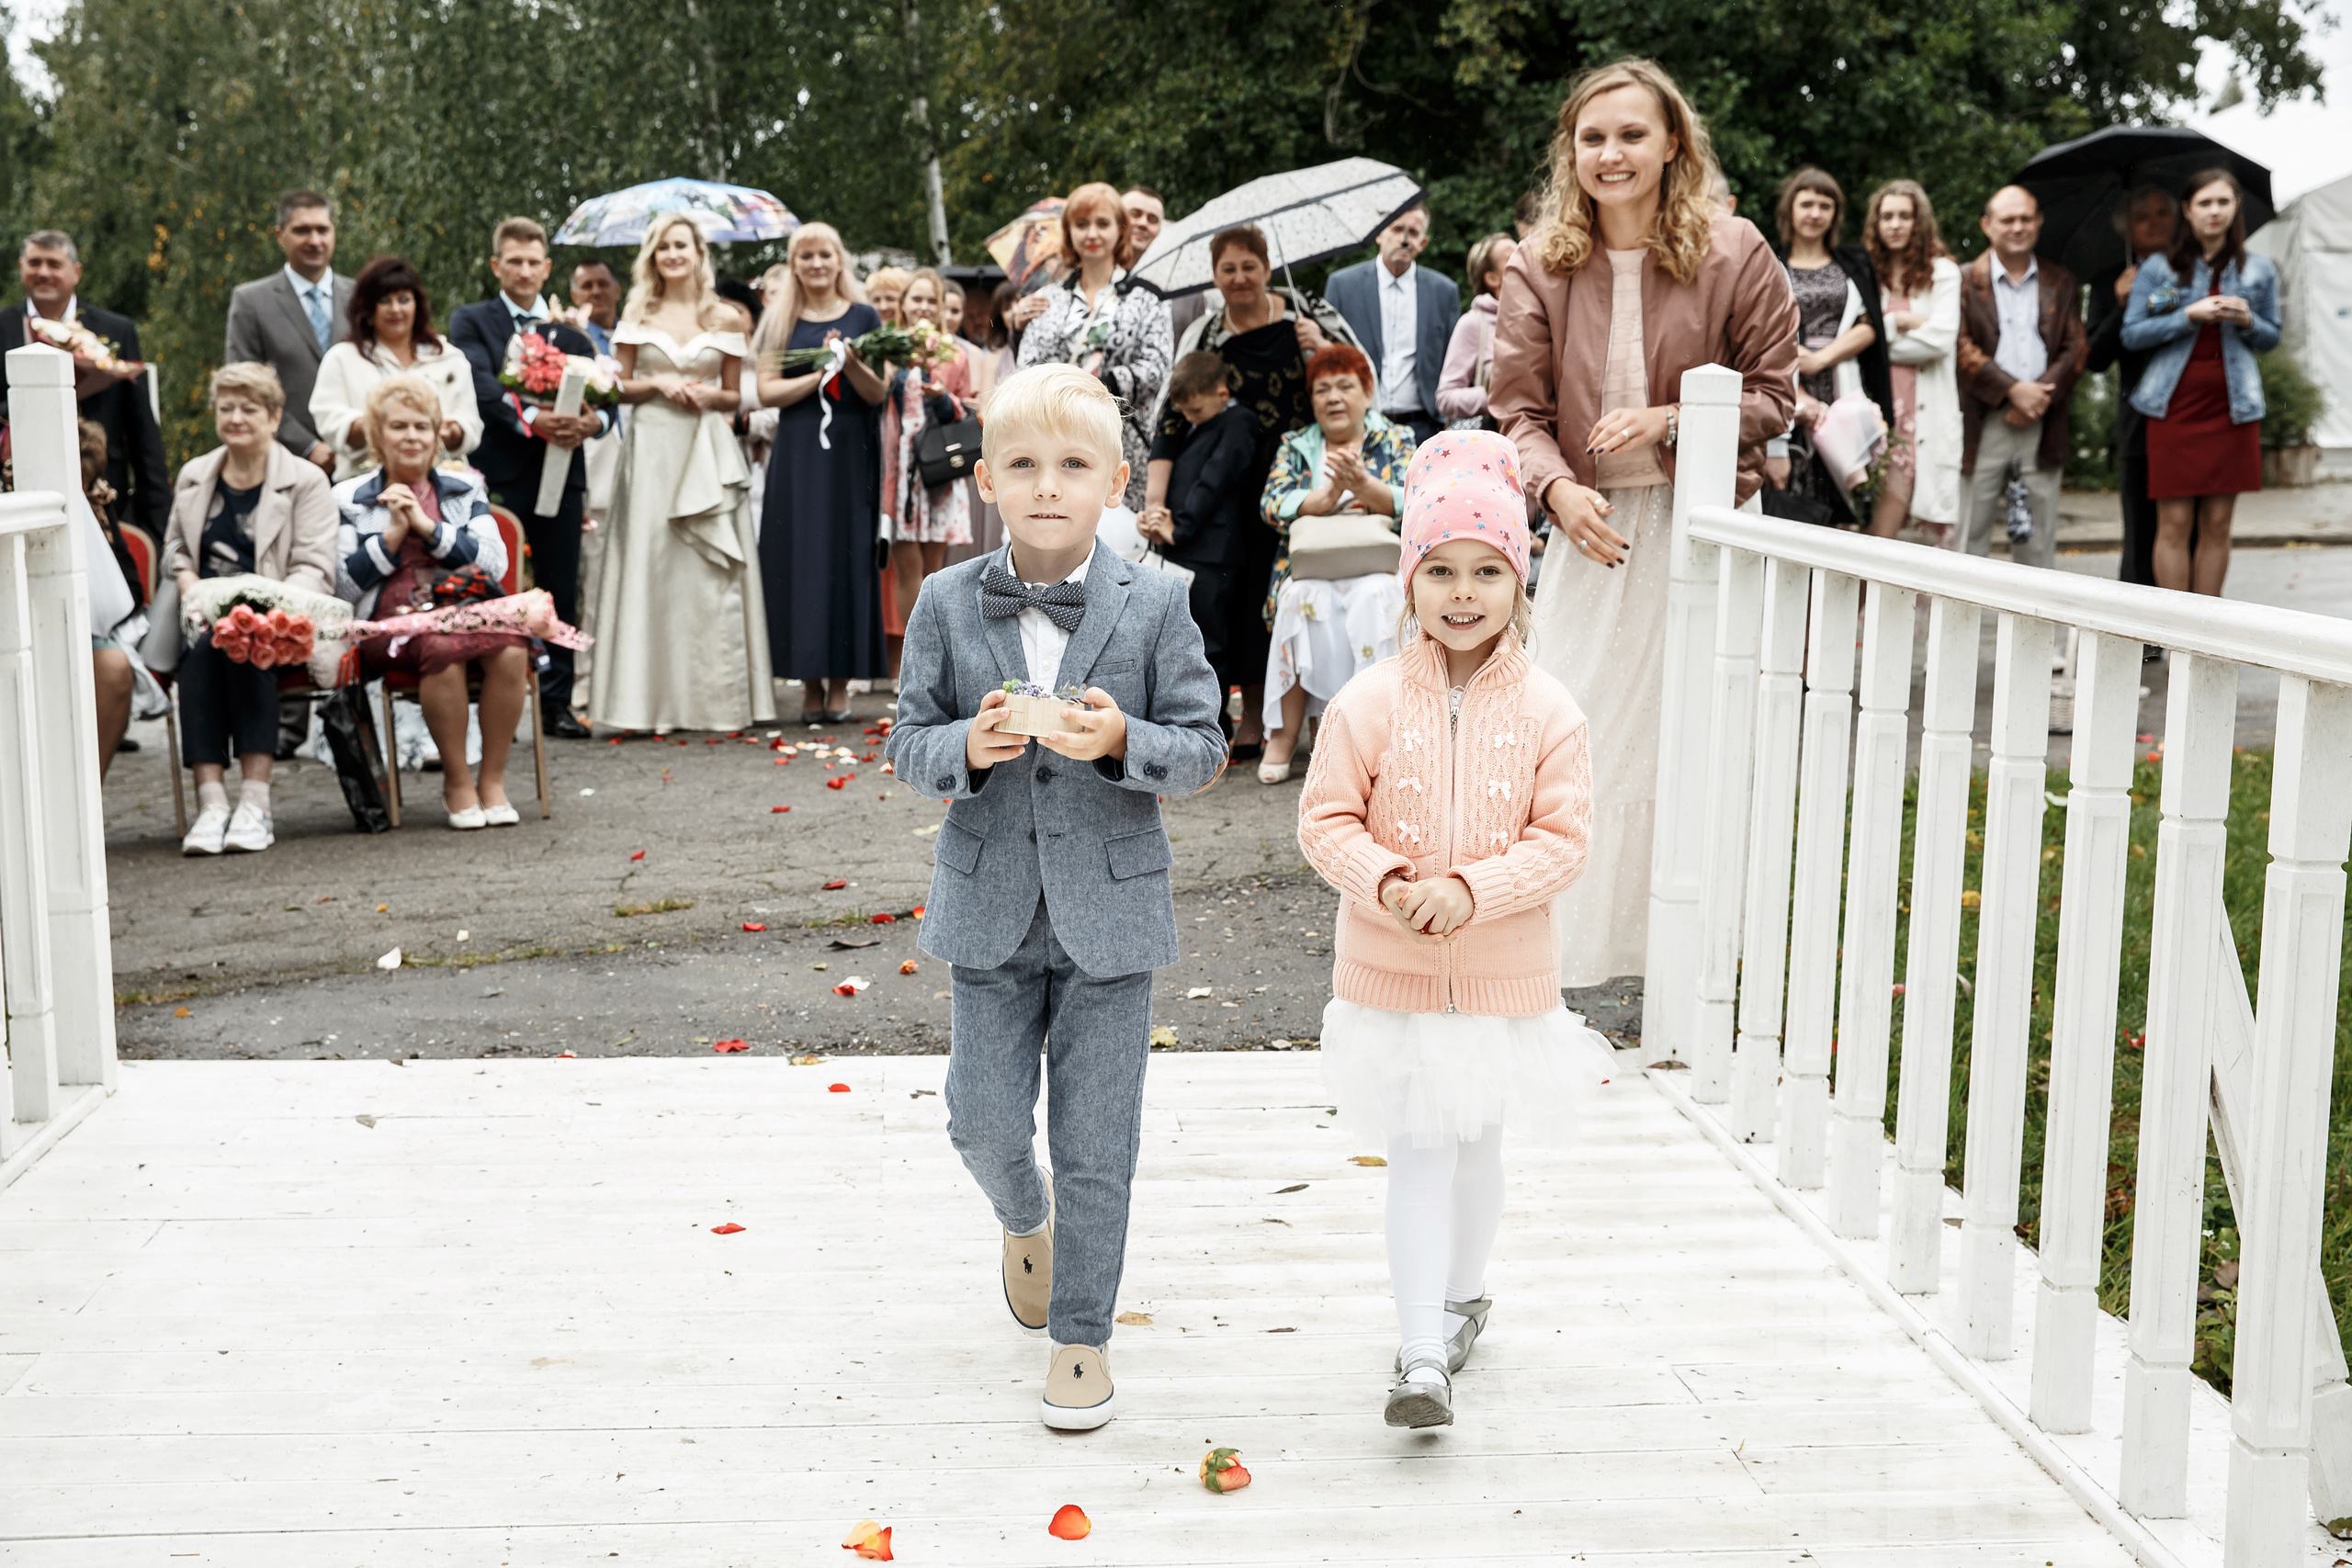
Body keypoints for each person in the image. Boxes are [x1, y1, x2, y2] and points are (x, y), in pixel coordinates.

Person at [883, 363, 1226, 1433]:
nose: (1046, 485)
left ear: (1115, 480)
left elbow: (1205, 746)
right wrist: (966, 747)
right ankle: (1020, 1216)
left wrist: (1122, 738)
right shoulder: (945, 600)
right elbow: (904, 740)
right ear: (985, 479)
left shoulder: (1158, 599)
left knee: (1097, 1138)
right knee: (978, 1119)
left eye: (1072, 466)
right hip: (988, 905)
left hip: (1111, 916)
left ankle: (1082, 1333)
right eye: (1022, 466)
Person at [1296, 429, 1611, 1429]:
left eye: (1487, 570)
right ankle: (1420, 1352)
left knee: (1477, 1147)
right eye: (1440, 571)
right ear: (1410, 581)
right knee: (1421, 1146)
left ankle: (1464, 1294)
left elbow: (1562, 841)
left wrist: (1475, 890)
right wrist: (1385, 878)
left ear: (1520, 582)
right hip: (1393, 973)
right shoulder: (1368, 700)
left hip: (1501, 973)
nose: (1463, 592)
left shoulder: (1551, 710)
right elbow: (1324, 819)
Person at [1488, 57, 1798, 988]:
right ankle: (1559, 961)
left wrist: (1673, 420)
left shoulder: (1735, 248)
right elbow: (1516, 412)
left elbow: (1776, 395)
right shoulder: (1538, 262)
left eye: (1631, 134)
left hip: (1706, 524)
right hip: (1593, 531)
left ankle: (1695, 960)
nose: (1611, 154)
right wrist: (1552, 492)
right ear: (1570, 152)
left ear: (1672, 143)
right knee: (1572, 733)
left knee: (1699, 739)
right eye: (1592, 137)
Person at [1146, 224, 1358, 761]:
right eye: (1227, 268)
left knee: (1286, 602)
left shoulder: (1309, 314)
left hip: (1298, 480)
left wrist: (1322, 347)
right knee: (1236, 609)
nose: (1239, 278)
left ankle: (1304, 720)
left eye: (1249, 266)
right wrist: (1155, 501)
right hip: (1229, 494)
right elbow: (1169, 422)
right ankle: (1246, 722)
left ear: (1267, 267)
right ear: (1214, 276)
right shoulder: (1203, 334)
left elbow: (1357, 379)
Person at [588, 213, 775, 733]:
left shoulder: (725, 318)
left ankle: (714, 700)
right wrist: (656, 386)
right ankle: (644, 704)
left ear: (698, 254)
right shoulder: (636, 313)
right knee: (650, 566)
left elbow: (735, 394)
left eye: (682, 246)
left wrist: (711, 396)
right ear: (653, 255)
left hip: (706, 445)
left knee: (705, 572)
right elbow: (616, 387)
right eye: (664, 246)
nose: (673, 254)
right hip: (650, 447)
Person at [334, 375, 530, 829]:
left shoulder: (464, 490)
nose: (412, 436)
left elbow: (492, 565)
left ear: (438, 434)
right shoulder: (348, 498)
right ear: (379, 436)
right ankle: (458, 782)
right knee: (440, 647)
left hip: (465, 607)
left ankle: (493, 781)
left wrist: (427, 526)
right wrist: (393, 535)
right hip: (388, 622)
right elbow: (341, 585)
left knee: (512, 646)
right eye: (399, 426)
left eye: (422, 426)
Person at [448, 216, 614, 739]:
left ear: (547, 268)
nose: (523, 270)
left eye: (533, 262)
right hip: (502, 472)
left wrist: (595, 421)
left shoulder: (572, 332)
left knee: (562, 585)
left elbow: (607, 393)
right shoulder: (473, 320)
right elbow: (478, 381)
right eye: (513, 261)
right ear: (497, 266)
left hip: (563, 473)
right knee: (492, 583)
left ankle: (557, 700)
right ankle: (484, 703)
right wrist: (531, 418)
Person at [162, 364, 337, 854]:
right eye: (226, 408)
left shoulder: (306, 480)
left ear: (274, 416)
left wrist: (262, 608)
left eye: (249, 409)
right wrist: (189, 582)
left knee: (248, 643)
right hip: (203, 614)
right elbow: (175, 546)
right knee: (205, 646)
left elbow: (314, 566)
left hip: (284, 617)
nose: (236, 418)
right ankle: (213, 802)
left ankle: (255, 803)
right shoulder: (197, 474)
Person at [1258, 343, 1416, 784]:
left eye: (1345, 386)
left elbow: (1419, 498)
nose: (1333, 398)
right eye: (1322, 390)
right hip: (1312, 566)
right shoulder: (1296, 444)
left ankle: (1378, 734)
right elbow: (1271, 505)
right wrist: (1325, 497)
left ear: (1367, 393)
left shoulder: (1397, 439)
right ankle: (1285, 735)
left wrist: (1365, 486)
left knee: (1378, 596)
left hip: (1377, 564)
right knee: (1300, 598)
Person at [752, 222, 889, 724]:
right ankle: (807, 680)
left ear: (839, 260)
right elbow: (766, 392)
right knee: (800, 556)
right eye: (805, 255)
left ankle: (840, 682)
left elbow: (878, 392)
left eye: (824, 254)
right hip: (799, 453)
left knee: (845, 555)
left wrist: (850, 363)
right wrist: (820, 374)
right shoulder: (779, 320)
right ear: (794, 263)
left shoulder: (865, 315)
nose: (815, 264)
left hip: (852, 452)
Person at [2122, 168, 2280, 598]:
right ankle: (2178, 638)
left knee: (2218, 524)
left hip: (2235, 409)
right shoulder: (2157, 268)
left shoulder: (2260, 270)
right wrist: (2187, 315)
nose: (2214, 212)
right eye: (2204, 203)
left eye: (2223, 202)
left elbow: (2273, 335)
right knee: (2173, 525)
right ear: (2187, 211)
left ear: (2235, 209)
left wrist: (2249, 320)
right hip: (2173, 409)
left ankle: (2207, 633)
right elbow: (2131, 333)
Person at [0, 231, 170, 542]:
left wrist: (155, 525)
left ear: (76, 272)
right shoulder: (3, 328)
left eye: (54, 264)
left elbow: (142, 430)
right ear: (21, 267)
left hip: (107, 494)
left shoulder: (115, 329)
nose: (43, 273)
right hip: (17, 493)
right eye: (34, 263)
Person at [1016, 182, 1174, 512]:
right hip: (1053, 442)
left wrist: (1097, 388)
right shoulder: (1048, 299)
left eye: (1103, 224)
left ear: (1120, 230)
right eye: (1082, 224)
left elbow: (1157, 367)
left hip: (1121, 442)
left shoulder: (1148, 298)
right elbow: (1027, 367)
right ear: (1069, 231)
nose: (1092, 233)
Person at [1955, 186, 2085, 571]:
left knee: (2036, 541)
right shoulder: (1961, 280)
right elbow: (1958, 347)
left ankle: (2034, 630)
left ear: (2038, 223)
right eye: (2007, 219)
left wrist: (2037, 398)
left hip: (2042, 421)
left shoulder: (2061, 282)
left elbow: (2076, 348)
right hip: (1980, 423)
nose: (2017, 226)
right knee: (1968, 536)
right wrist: (2012, 391)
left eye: (2026, 218)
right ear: (1987, 225)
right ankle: (1960, 630)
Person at [1768, 168, 1891, 521]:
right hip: (1790, 389)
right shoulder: (1769, 260)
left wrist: (1821, 360)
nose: (1815, 213)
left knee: (1848, 497)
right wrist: (1799, 385)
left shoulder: (1853, 261)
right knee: (1795, 497)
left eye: (1825, 205)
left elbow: (1870, 327)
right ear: (1790, 209)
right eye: (1806, 203)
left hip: (1844, 388)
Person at [1139, 350, 1259, 708]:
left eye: (1196, 411)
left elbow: (1216, 478)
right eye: (1185, 413)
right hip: (1185, 545)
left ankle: (1215, 725)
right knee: (1183, 640)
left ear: (1222, 394)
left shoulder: (1240, 422)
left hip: (1211, 549)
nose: (1190, 419)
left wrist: (1182, 527)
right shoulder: (1203, 422)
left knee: (1209, 642)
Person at [309, 256, 481, 483]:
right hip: (364, 488)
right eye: (384, 300)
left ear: (417, 304)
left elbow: (471, 424)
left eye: (403, 299)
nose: (395, 309)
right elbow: (330, 423)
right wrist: (378, 426)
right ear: (368, 307)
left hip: (443, 487)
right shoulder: (341, 358)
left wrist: (453, 432)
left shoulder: (449, 358)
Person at [2086, 187, 2183, 592]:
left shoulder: (2192, 269)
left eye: (2164, 212)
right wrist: (2123, 303)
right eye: (2143, 216)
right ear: (2126, 228)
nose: (2155, 221)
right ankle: (2142, 639)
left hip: (2190, 413)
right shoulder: (2110, 278)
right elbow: (2094, 357)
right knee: (2141, 529)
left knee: (2188, 527)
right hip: (2139, 421)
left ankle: (2191, 626)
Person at [224, 191, 355, 475]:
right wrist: (307, 446)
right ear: (279, 235)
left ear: (334, 232)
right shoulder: (251, 301)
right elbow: (245, 389)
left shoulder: (363, 299)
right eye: (302, 230)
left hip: (359, 461)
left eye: (323, 229)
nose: (314, 240)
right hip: (283, 464)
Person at [1862, 180, 1962, 543]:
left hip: (1926, 416)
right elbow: (1856, 344)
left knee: (1920, 538)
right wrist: (1902, 323)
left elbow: (1939, 340)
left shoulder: (1944, 273)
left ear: (1919, 222)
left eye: (1905, 216)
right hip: (1878, 414)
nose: (1896, 224)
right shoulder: (1868, 275)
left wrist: (1877, 334)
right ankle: (1866, 601)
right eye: (1887, 216)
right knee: (1872, 530)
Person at [881, 266, 976, 635]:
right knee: (906, 567)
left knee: (934, 572)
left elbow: (967, 411)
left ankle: (935, 659)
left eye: (930, 300)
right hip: (897, 467)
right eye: (915, 298)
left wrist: (943, 397)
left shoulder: (955, 355)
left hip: (939, 463)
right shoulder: (888, 349)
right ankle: (910, 664)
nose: (922, 306)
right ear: (903, 304)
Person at [1325, 202, 1460, 446]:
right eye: (1397, 230)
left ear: (1423, 243)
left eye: (1414, 233)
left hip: (1424, 427)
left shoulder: (1444, 292)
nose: (1404, 240)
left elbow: (1455, 361)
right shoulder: (1342, 286)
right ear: (1379, 234)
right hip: (1359, 423)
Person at [1436, 231, 1517, 428]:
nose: (1524, 260)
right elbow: (1446, 398)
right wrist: (1496, 396)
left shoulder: (1541, 319)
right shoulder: (1473, 323)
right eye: (1513, 258)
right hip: (1497, 442)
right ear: (1492, 279)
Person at [1124, 184, 1204, 342]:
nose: (1143, 223)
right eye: (1135, 214)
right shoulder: (1087, 279)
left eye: (1152, 220)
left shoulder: (1187, 291)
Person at [569, 258, 621, 357]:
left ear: (618, 291)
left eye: (603, 284)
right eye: (587, 286)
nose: (596, 292)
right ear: (574, 296)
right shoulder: (571, 340)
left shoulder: (633, 333)